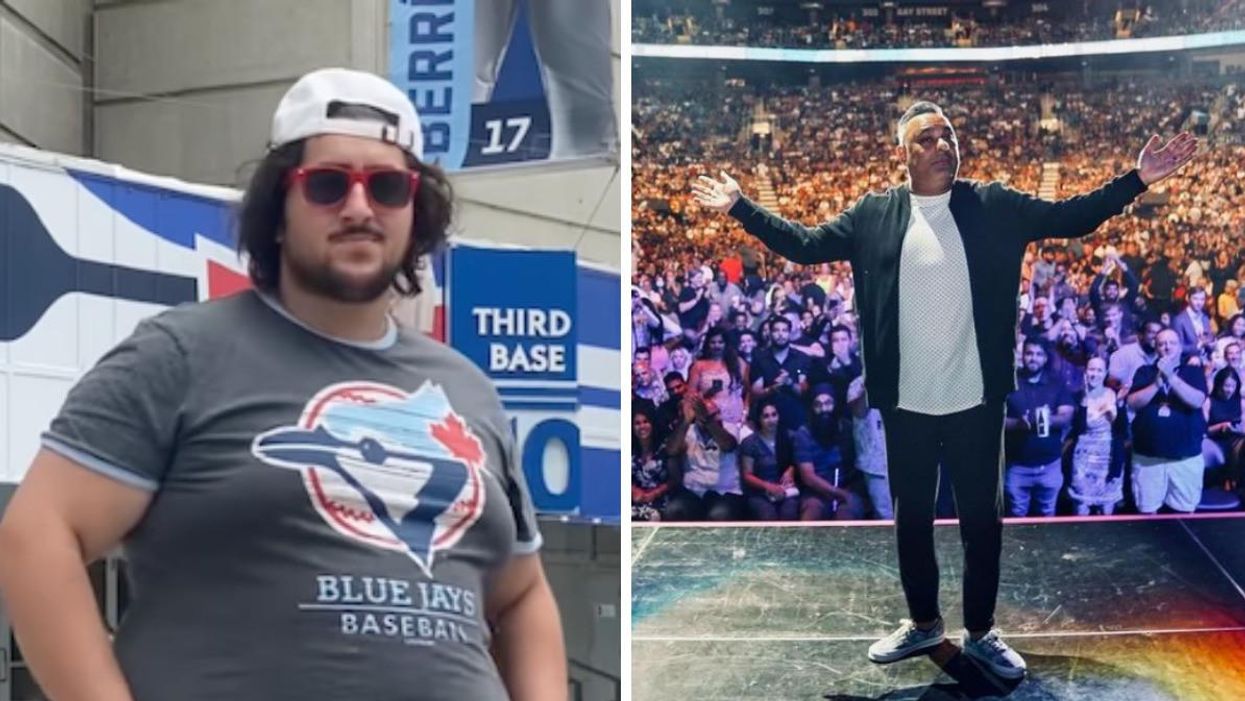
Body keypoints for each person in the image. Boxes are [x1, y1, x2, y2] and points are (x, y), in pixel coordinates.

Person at [0, 68, 566, 700]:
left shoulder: (467, 390)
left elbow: (522, 593)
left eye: (387, 187)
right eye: (327, 184)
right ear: (277, 211)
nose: (359, 208)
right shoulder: (179, 356)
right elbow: (37, 535)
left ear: (416, 213)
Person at [691, 99, 1197, 678]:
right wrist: (741, 206)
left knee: (982, 522)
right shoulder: (874, 214)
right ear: (903, 154)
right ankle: (924, 623)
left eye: (949, 136)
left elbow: (1071, 217)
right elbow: (805, 245)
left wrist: (1137, 180)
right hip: (905, 402)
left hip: (975, 401)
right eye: (927, 139)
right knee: (912, 522)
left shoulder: (993, 206)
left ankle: (980, 632)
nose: (942, 146)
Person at [1126, 328, 1208, 514]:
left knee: (1184, 512)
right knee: (1147, 511)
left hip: (1185, 458)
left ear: (1180, 347)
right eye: (1162, 344)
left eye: (1172, 343)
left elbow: (1197, 401)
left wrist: (1170, 376)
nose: (1167, 347)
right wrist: (1158, 382)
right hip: (1148, 458)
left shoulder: (1193, 372)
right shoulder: (1145, 372)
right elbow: (1133, 403)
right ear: (1156, 348)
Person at [1003, 340, 1075, 517]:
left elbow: (1066, 416)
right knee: (1017, 515)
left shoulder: (1056, 384)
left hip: (1049, 465)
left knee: (1047, 515)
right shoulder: (1009, 382)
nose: (1033, 358)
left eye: (1038, 354)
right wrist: (1018, 424)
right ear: (1022, 356)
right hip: (1017, 466)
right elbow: (995, 420)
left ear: (1045, 358)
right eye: (1029, 353)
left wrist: (1047, 420)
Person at [665, 389, 746, 522]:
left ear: (719, 414)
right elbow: (671, 451)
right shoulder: (688, 431)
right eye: (701, 414)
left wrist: (708, 421)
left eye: (713, 414)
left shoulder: (731, 428)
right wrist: (685, 421)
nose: (707, 417)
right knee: (673, 510)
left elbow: (728, 446)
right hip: (694, 491)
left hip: (725, 492)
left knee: (718, 515)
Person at [794, 384, 867, 521]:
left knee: (845, 519)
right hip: (816, 492)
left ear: (835, 405)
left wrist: (846, 494)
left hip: (847, 488)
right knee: (811, 515)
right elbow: (808, 476)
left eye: (828, 403)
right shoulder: (803, 433)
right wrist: (837, 492)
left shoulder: (848, 429)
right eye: (818, 405)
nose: (823, 409)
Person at [1067, 357, 1123, 515]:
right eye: (1091, 369)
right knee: (1081, 505)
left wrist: (1119, 406)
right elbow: (1078, 428)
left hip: (1109, 456)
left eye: (1099, 370)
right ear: (1085, 372)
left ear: (1105, 373)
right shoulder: (1076, 396)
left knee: (1106, 506)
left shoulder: (1113, 394)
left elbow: (1122, 429)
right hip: (1084, 457)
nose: (1095, 374)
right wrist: (1085, 399)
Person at [739, 398, 800, 521]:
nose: (771, 420)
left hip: (786, 490)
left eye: (774, 415)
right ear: (759, 419)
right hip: (760, 492)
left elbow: (799, 461)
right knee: (768, 516)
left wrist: (791, 469)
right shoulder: (750, 442)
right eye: (766, 416)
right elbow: (747, 475)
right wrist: (768, 486)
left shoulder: (790, 436)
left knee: (789, 514)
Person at [633, 404, 672, 522]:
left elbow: (674, 480)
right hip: (635, 502)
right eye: (637, 423)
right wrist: (633, 491)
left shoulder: (665, 448)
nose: (642, 426)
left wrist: (655, 493)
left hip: (661, 502)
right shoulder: (629, 451)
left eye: (645, 422)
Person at [1173, 287, 1215, 360]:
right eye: (1195, 299)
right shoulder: (1179, 320)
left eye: (1202, 299)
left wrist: (1211, 343)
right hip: (1188, 360)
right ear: (1187, 298)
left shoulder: (1205, 317)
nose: (1199, 303)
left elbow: (1209, 338)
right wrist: (1198, 346)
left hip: (1206, 358)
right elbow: (1178, 347)